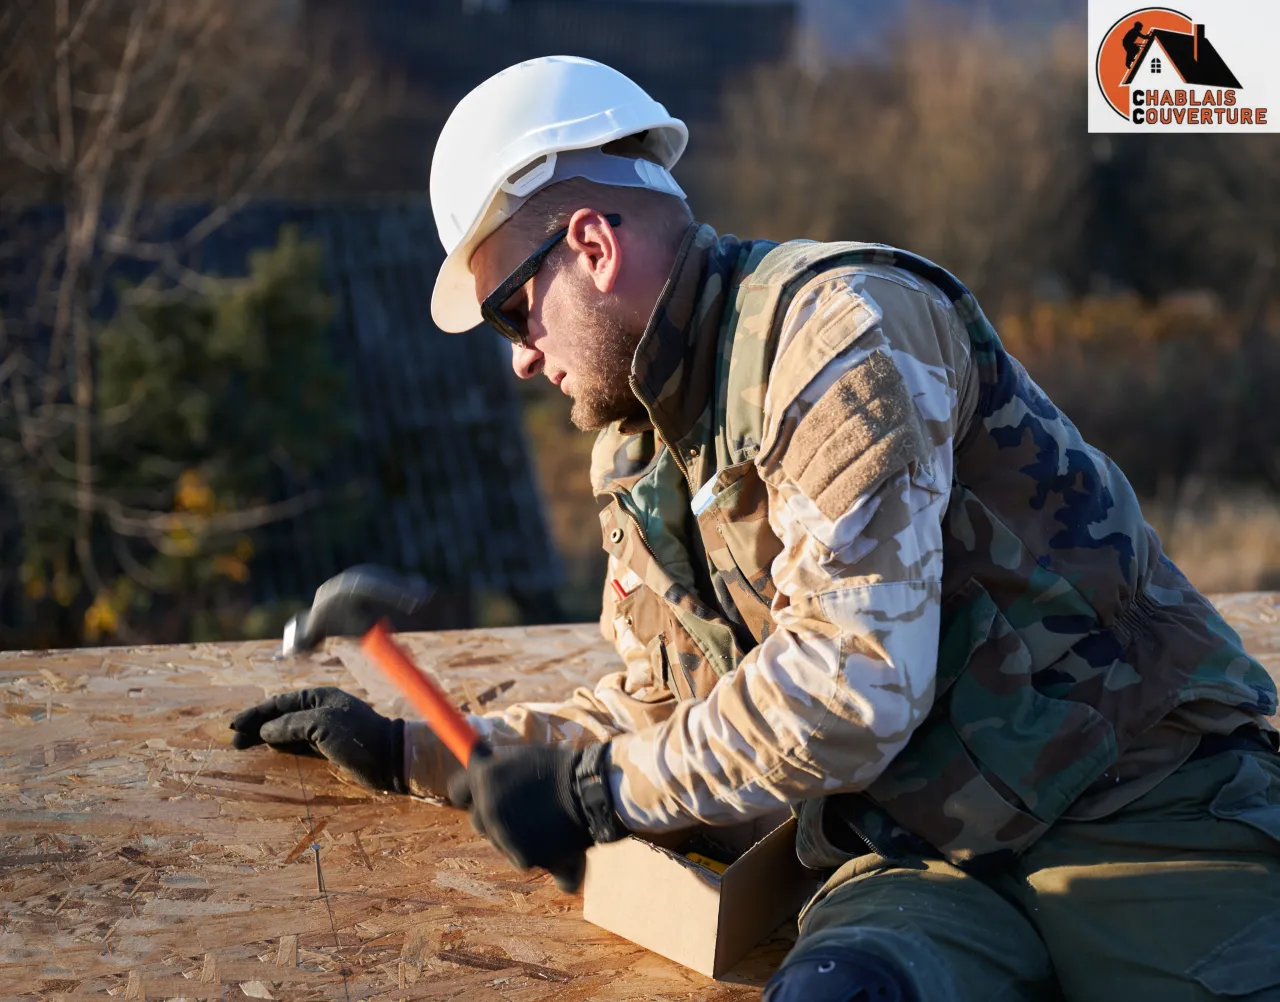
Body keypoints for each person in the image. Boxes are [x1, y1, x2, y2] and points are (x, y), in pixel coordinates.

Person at [230, 57, 1280, 1001]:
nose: (517, 357)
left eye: (512, 309)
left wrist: (593, 793)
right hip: (913, 854)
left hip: (1135, 804)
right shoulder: (640, 451)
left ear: (589, 244)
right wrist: (432, 752)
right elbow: (673, 709)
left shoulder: (837, 333)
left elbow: (852, 682)